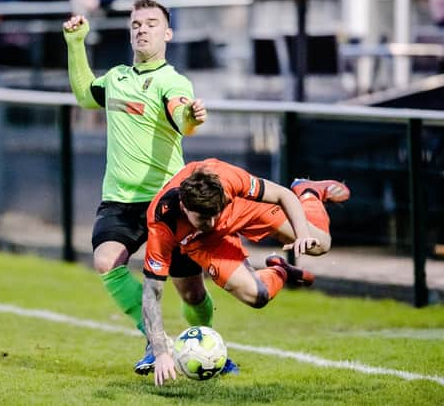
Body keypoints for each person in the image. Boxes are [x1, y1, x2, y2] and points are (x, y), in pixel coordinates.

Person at [62, 0, 207, 374]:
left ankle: (205, 341)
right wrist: (76, 43)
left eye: (151, 23)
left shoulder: (172, 81)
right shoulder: (116, 78)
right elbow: (83, 95)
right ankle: (155, 340)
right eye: (136, 24)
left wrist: (191, 116)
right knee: (106, 260)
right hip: (120, 201)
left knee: (191, 291)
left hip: (166, 200)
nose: (142, 29)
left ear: (168, 33)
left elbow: (183, 117)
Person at [141, 158, 350, 386]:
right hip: (205, 243)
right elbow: (152, 292)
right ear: (184, 206)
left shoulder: (227, 178)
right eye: (203, 217)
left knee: (321, 244)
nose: (212, 222)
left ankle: (308, 192)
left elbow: (282, 195)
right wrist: (161, 351)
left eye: (214, 214)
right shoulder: (162, 223)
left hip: (242, 209)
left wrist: (301, 234)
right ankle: (281, 270)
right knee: (257, 297)